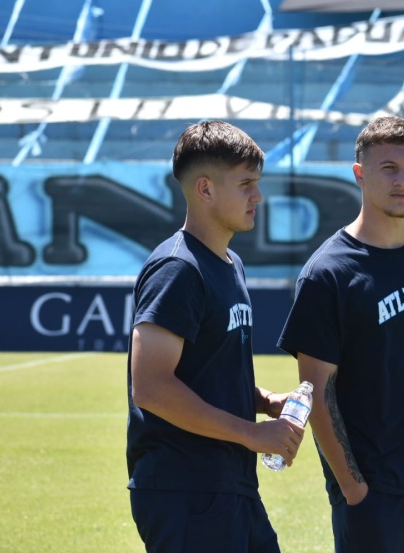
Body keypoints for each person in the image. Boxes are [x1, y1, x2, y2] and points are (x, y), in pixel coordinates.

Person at [277, 116, 404, 552]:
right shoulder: (328, 273)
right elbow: (317, 389)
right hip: (378, 498)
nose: (401, 180)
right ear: (359, 174)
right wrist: (354, 489)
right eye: (388, 167)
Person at [126, 120, 305, 553]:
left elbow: (205, 369)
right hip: (186, 489)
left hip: (229, 483)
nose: (257, 196)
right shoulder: (178, 269)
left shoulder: (229, 263)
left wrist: (262, 401)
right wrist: (251, 432)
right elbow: (150, 387)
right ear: (205, 190)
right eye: (245, 184)